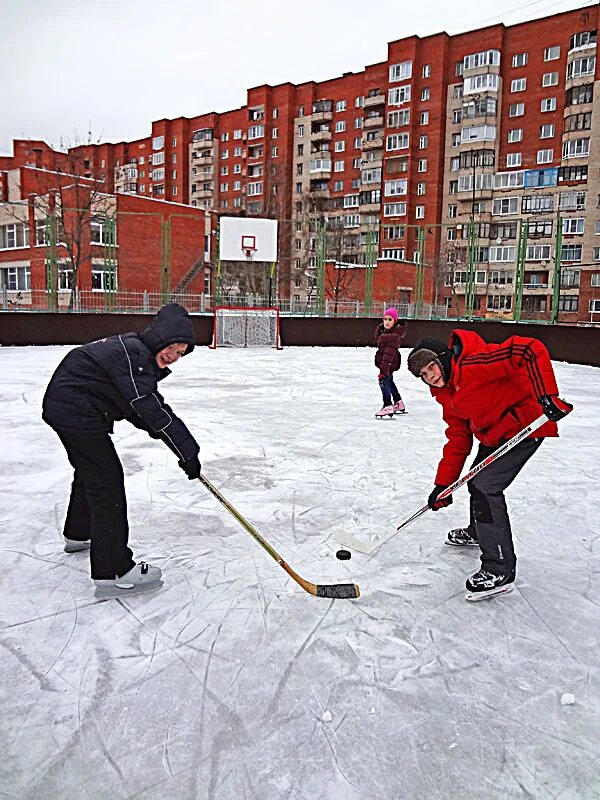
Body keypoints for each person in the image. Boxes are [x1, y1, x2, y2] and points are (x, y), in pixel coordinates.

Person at [42, 303, 202, 595]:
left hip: (70, 407)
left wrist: (182, 451)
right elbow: (152, 410)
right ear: (160, 337)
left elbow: (137, 410)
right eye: (172, 348)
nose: (174, 357)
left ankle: (78, 533)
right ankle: (113, 570)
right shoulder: (135, 358)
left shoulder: (134, 354)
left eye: (181, 353)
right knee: (107, 483)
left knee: (92, 472)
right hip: (76, 411)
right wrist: (187, 451)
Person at [407, 331, 572, 600]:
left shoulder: (475, 364)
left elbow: (528, 349)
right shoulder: (448, 396)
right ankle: (479, 532)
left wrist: (547, 397)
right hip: (494, 434)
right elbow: (458, 440)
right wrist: (443, 485)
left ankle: (499, 568)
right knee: (476, 481)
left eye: (431, 366)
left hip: (526, 426)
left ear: (444, 359)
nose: (430, 376)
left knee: (485, 486)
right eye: (423, 374)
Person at [374, 308, 407, 418]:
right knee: (389, 381)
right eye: (385, 319)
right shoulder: (387, 334)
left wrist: (383, 371)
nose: (387, 322)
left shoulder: (392, 337)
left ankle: (388, 405)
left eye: (390, 319)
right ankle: (398, 403)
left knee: (383, 381)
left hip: (388, 363)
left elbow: (388, 355)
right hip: (389, 363)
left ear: (395, 321)